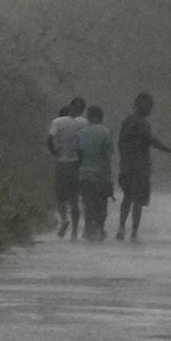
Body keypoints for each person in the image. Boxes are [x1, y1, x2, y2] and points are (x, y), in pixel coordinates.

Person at [116, 92, 171, 242]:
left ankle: (124, 229)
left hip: (131, 167)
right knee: (136, 200)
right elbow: (151, 142)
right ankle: (132, 232)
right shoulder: (140, 123)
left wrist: (125, 160)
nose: (150, 109)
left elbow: (123, 144)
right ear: (140, 105)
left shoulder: (131, 121)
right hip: (138, 167)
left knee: (129, 198)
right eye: (148, 106)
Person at [45, 97, 88, 239]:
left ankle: (64, 220)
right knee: (74, 199)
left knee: (60, 197)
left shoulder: (58, 122)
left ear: (70, 106)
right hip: (76, 164)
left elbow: (49, 140)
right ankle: (75, 231)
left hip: (61, 163)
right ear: (82, 109)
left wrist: (54, 152)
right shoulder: (84, 123)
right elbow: (86, 143)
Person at [76, 104, 116, 242]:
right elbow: (108, 155)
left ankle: (88, 229)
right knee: (101, 204)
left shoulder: (80, 132)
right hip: (101, 175)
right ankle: (100, 228)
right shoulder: (106, 132)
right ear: (101, 117)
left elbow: (78, 155)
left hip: (84, 174)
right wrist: (108, 177)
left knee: (88, 203)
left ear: (88, 117)